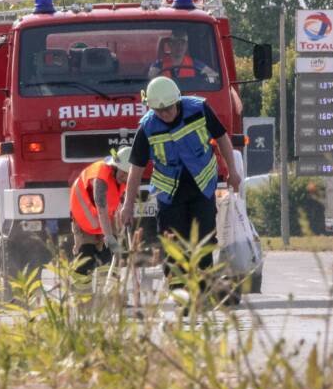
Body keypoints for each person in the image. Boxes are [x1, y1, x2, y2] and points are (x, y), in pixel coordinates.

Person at [118, 76, 240, 290]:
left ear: (178, 101)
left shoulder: (199, 109)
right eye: (159, 111)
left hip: (201, 187)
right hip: (170, 194)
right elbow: (136, 169)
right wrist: (128, 205)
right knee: (173, 243)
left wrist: (233, 172)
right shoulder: (147, 127)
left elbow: (222, 138)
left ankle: (202, 288)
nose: (165, 114)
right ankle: (178, 290)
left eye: (169, 109)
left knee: (204, 239)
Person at [69, 146, 132, 275]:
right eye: (123, 173)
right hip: (84, 219)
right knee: (86, 259)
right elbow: (101, 207)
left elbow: (121, 200)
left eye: (128, 174)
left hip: (103, 221)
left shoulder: (123, 178)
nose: (125, 177)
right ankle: (80, 292)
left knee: (107, 257)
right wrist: (109, 236)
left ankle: (107, 291)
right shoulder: (100, 178)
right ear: (115, 166)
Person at [148, 27, 218, 82]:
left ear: (186, 45)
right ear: (170, 45)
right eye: (176, 42)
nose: (179, 46)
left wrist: (205, 81)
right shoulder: (159, 64)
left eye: (183, 42)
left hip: (191, 97)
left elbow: (214, 76)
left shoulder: (195, 63)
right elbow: (151, 80)